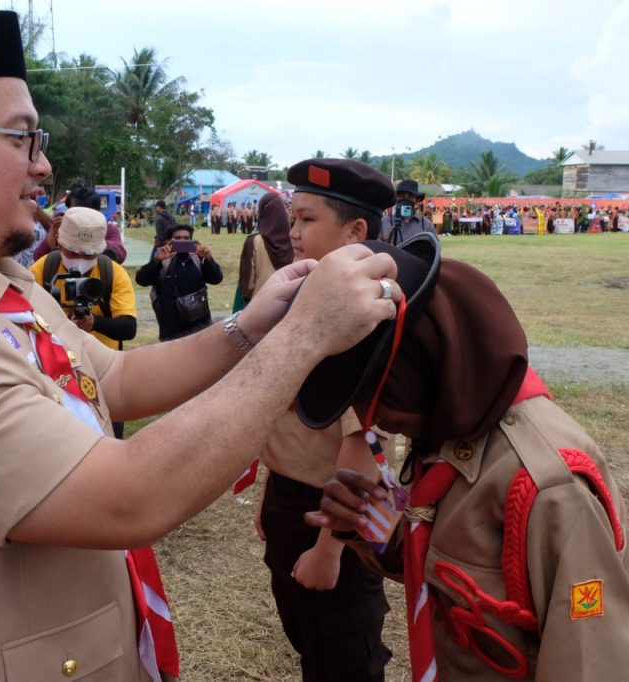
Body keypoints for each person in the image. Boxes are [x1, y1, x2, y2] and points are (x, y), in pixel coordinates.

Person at [0, 12, 403, 682]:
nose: (43, 163)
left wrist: (256, 326)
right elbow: (128, 496)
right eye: (21, 138)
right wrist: (304, 337)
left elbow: (116, 378)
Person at [304, 245, 629, 682]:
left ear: (425, 365)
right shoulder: (447, 437)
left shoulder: (546, 484)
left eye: (380, 395)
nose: (371, 418)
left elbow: (594, 659)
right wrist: (376, 528)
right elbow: (455, 580)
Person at [254, 158, 397, 682]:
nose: (292, 233)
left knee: (345, 651)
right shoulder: (310, 300)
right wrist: (274, 495)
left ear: (356, 231)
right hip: (293, 499)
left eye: (308, 221)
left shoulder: (359, 323)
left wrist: (329, 548)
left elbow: (363, 449)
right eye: (292, 218)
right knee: (309, 638)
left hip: (335, 513)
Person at [31, 207, 137, 438]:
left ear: (100, 251)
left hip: (103, 373)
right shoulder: (42, 269)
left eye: (88, 255)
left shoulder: (113, 273)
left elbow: (128, 328)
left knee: (109, 438)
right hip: (54, 374)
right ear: (59, 244)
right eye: (72, 252)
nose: (79, 262)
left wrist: (93, 323)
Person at [136, 223, 223, 341]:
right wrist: (156, 260)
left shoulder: (198, 259)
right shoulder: (162, 261)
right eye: (177, 239)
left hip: (199, 328)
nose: (182, 241)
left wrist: (209, 260)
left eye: (186, 239)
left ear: (192, 241)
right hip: (170, 330)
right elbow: (141, 280)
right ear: (168, 241)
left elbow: (216, 279)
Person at [236, 192, 292, 309]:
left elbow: (247, 286)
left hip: (260, 309)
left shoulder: (254, 241)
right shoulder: (295, 239)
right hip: (288, 306)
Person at [381, 180, 435, 245]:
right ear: (396, 198)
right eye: (401, 195)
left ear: (417, 200)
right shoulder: (384, 222)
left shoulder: (426, 225)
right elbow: (374, 249)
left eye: (410, 196)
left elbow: (434, 251)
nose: (405, 199)